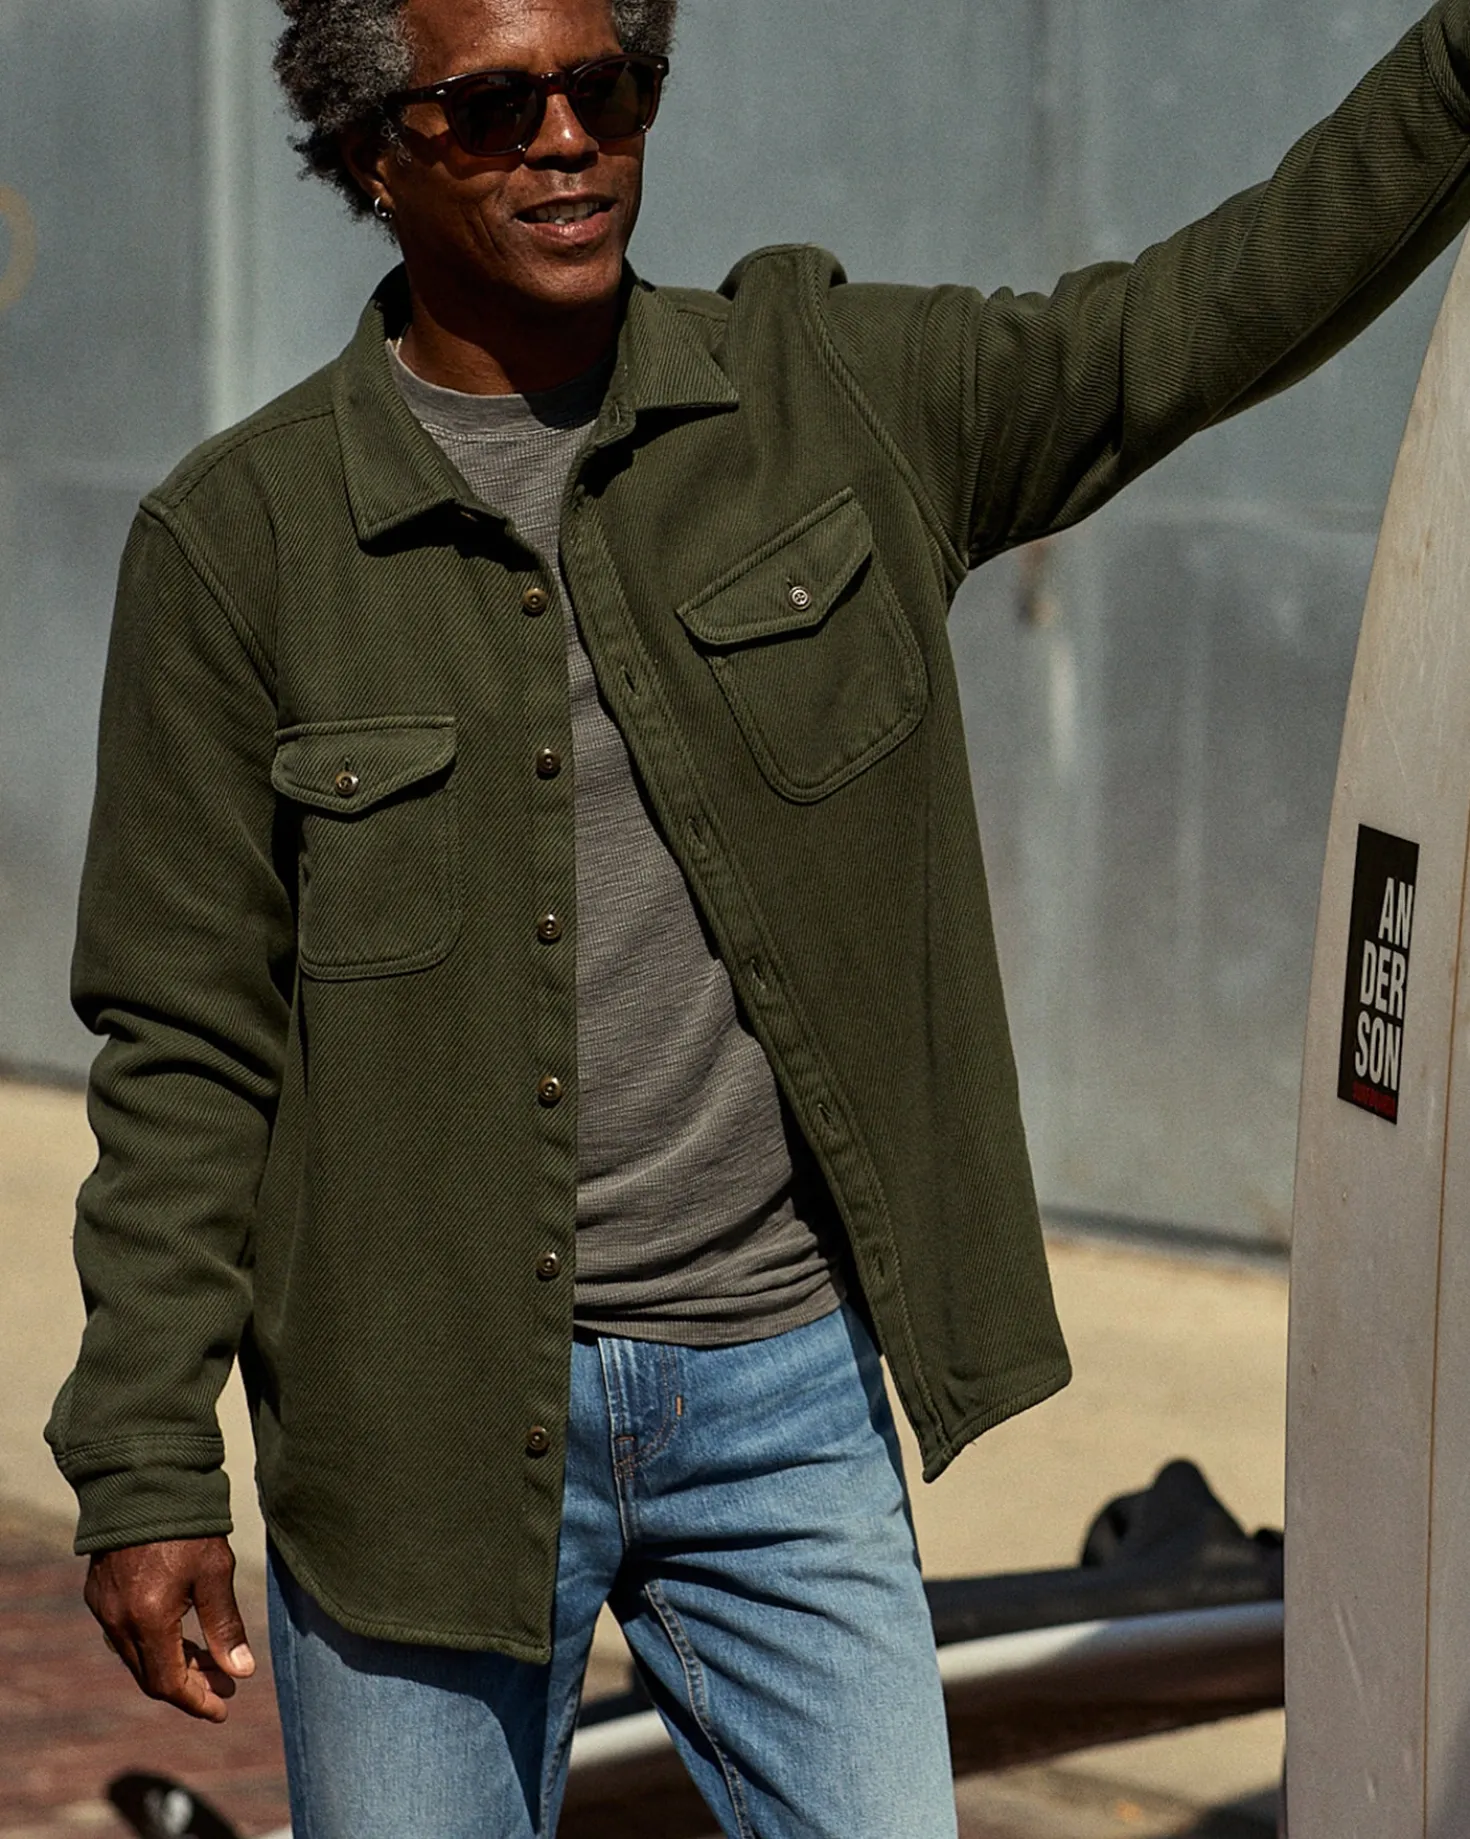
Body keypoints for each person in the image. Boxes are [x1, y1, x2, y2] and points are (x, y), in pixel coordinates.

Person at [48, 0, 1470, 1832]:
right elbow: (184, 1041)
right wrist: (145, 1456)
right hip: (416, 1437)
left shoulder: (829, 401)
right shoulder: (239, 545)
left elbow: (1190, 321)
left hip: (781, 1401)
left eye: (607, 85)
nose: (568, 138)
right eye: (493, 107)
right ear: (369, 153)